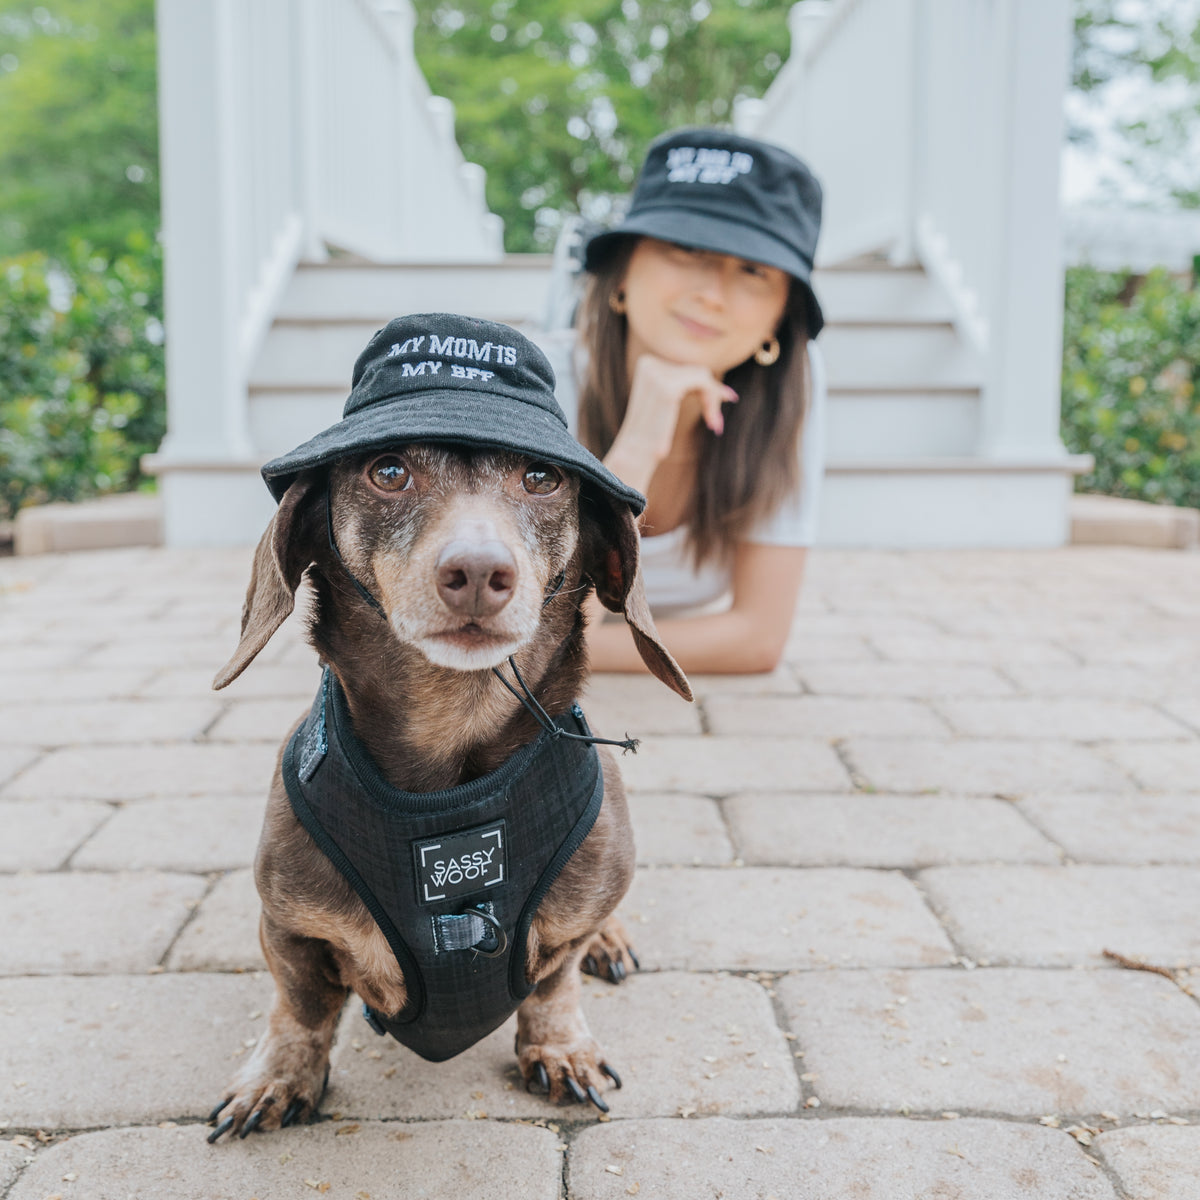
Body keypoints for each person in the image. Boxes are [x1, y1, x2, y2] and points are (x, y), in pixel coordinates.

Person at [548, 127, 826, 675]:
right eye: (686, 249)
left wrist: (557, 654)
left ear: (779, 318)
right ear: (622, 273)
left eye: (752, 270)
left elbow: (758, 638)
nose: (711, 294)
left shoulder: (791, 393)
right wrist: (636, 449)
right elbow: (551, 623)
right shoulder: (544, 384)